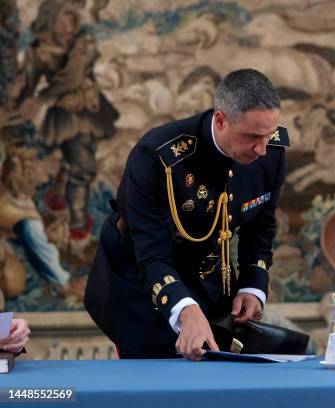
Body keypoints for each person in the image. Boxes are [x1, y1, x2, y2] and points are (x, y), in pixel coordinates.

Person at [84, 69, 288, 360]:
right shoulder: (156, 156)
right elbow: (151, 253)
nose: (262, 149)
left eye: (268, 135)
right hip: (139, 284)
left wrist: (254, 286)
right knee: (156, 377)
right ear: (221, 120)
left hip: (208, 273)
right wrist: (184, 310)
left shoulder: (270, 149)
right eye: (253, 136)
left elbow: (260, 227)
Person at [13, 0, 118, 254]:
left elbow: (73, 76)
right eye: (65, 18)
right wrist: (18, 102)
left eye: (73, 19)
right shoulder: (39, 50)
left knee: (80, 162)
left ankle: (69, 212)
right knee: (78, 165)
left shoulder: (83, 44)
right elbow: (27, 82)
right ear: (52, 18)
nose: (71, 24)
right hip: (64, 116)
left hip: (86, 110)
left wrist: (43, 98)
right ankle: (76, 222)